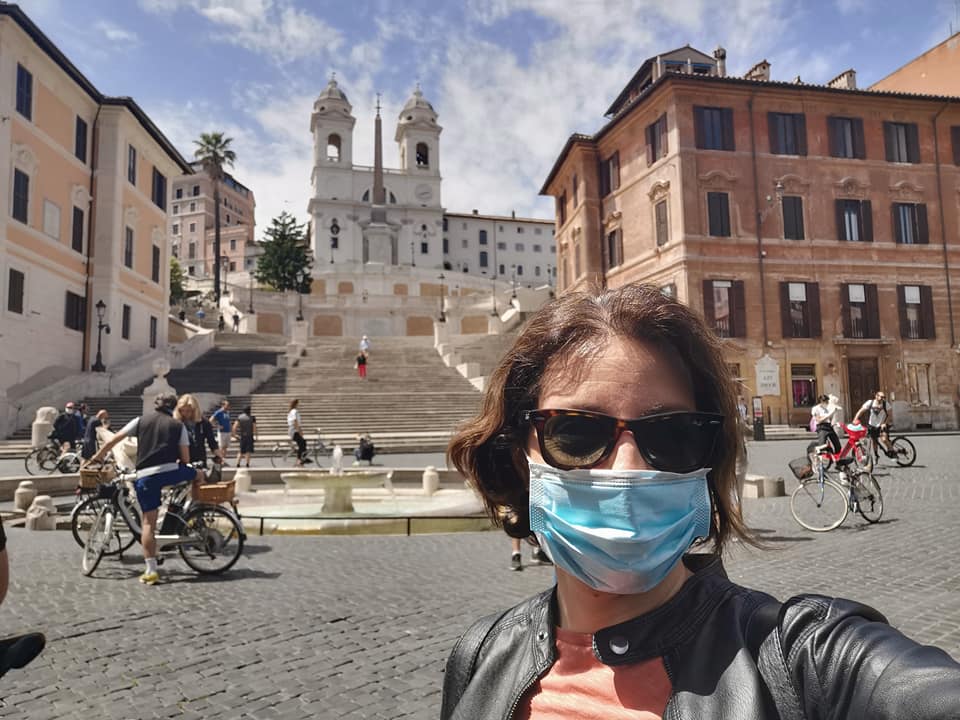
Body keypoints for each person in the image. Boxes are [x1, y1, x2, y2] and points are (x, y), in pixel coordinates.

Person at [441, 283, 960, 719]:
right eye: (575, 434)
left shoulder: (805, 659)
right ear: (518, 456)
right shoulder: (478, 656)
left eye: (674, 434)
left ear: (708, 460)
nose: (628, 469)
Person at [82, 392, 205, 586]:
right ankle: (194, 508)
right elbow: (186, 459)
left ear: (155, 405)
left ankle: (151, 570)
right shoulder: (177, 425)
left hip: (145, 476)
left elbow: (113, 440)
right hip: (169, 472)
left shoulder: (140, 420)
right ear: (173, 407)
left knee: (148, 523)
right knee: (198, 474)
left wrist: (96, 458)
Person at [173, 394, 221, 471]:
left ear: (195, 410)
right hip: (181, 460)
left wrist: (218, 455)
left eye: (189, 411)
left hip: (200, 459)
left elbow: (211, 441)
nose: (185, 414)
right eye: (182, 410)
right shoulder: (175, 423)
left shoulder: (204, 423)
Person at [854, 390, 894, 460]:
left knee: (884, 439)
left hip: (882, 425)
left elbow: (890, 415)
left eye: (884, 397)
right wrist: (855, 419)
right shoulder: (870, 403)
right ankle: (876, 455)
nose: (882, 399)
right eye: (881, 397)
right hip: (872, 425)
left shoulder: (885, 404)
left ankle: (893, 452)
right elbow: (861, 411)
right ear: (876, 396)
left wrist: (885, 423)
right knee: (874, 441)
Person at [287, 399, 310, 466]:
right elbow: (295, 422)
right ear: (296, 404)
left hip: (294, 430)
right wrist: (300, 431)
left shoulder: (292, 411)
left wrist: (300, 430)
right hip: (294, 431)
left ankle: (302, 459)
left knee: (303, 443)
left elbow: (296, 423)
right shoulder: (294, 411)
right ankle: (299, 461)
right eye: (298, 403)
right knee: (302, 444)